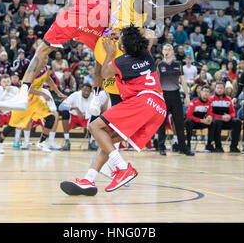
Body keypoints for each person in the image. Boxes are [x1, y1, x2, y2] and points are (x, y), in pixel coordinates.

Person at [60, 26, 166, 196]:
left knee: (95, 127)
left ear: (123, 46)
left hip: (143, 101)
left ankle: (123, 168)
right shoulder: (146, 53)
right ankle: (89, 179)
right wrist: (126, 32)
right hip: (158, 106)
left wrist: (109, 52)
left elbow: (104, 73)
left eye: (120, 40)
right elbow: (151, 33)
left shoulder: (121, 62)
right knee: (107, 140)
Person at [4, 0, 110, 112]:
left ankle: (22, 94)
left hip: (82, 12)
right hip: (102, 14)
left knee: (43, 49)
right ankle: (97, 99)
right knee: (99, 55)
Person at [17, 59, 65, 151]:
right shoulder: (28, 84)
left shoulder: (45, 91)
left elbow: (49, 80)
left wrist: (58, 92)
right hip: (32, 113)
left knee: (55, 115)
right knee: (28, 114)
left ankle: (50, 142)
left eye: (46, 60)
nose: (45, 61)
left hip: (43, 116)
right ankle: (26, 142)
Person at [157, 43, 194, 156]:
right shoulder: (159, 65)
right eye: (165, 49)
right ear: (163, 51)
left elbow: (183, 80)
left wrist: (187, 95)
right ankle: (161, 147)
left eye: (169, 49)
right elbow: (156, 82)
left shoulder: (178, 64)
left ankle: (183, 147)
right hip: (163, 95)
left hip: (176, 95)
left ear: (172, 52)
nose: (167, 50)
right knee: (161, 122)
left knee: (179, 122)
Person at [57, 83, 101, 151]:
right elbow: (61, 107)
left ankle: (92, 142)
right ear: (80, 90)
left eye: (88, 91)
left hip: (86, 118)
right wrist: (74, 108)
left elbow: (98, 110)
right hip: (73, 117)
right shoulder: (75, 95)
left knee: (96, 116)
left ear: (90, 91)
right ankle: (67, 141)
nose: (86, 92)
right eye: (84, 90)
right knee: (64, 113)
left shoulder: (93, 97)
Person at [0, 74, 21, 152]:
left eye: (8, 81)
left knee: (20, 113)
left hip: (12, 112)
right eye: (4, 82)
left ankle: (16, 139)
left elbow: (18, 101)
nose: (6, 83)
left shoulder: (15, 89)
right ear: (0, 82)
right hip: (0, 113)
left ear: (10, 81)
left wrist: (9, 92)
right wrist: (6, 92)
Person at [207, 81, 241, 153]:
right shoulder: (210, 99)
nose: (219, 90)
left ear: (224, 89)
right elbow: (209, 113)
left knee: (237, 122)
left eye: (221, 88)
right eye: (218, 88)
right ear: (215, 89)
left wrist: (229, 116)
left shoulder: (228, 99)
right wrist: (221, 117)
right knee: (217, 121)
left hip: (226, 120)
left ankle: (233, 146)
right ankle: (218, 146)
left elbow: (233, 113)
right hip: (215, 121)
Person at [184, 85, 214, 151]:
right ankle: (188, 144)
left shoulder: (209, 103)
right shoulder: (194, 102)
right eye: (204, 91)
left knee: (213, 123)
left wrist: (209, 117)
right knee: (188, 122)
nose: (206, 93)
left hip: (201, 122)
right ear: (200, 92)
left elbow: (209, 113)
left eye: (208, 91)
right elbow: (189, 115)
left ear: (209, 94)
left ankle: (209, 144)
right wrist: (201, 120)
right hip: (193, 122)